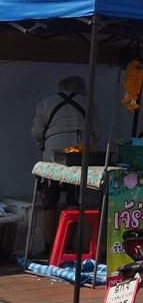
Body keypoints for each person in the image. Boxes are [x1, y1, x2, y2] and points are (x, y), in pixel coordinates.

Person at [31, 76, 99, 258]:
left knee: (49, 202)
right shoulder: (88, 102)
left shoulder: (45, 102)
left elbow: (37, 132)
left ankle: (48, 247)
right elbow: (96, 132)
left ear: (61, 87)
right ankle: (66, 246)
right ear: (81, 89)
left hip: (52, 157)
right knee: (73, 199)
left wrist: (43, 146)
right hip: (79, 156)